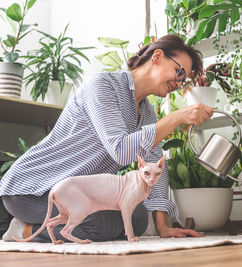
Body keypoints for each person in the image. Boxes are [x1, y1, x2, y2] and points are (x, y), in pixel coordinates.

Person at [0, 34, 214, 242]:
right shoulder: (103, 86)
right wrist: (177, 117)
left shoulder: (147, 113)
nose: (179, 83)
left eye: (183, 79)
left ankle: (44, 226)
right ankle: (23, 229)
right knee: (97, 222)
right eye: (179, 72)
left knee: (137, 216)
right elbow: (120, 149)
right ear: (157, 56)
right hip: (33, 189)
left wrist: (162, 227)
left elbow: (156, 165)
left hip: (79, 193)